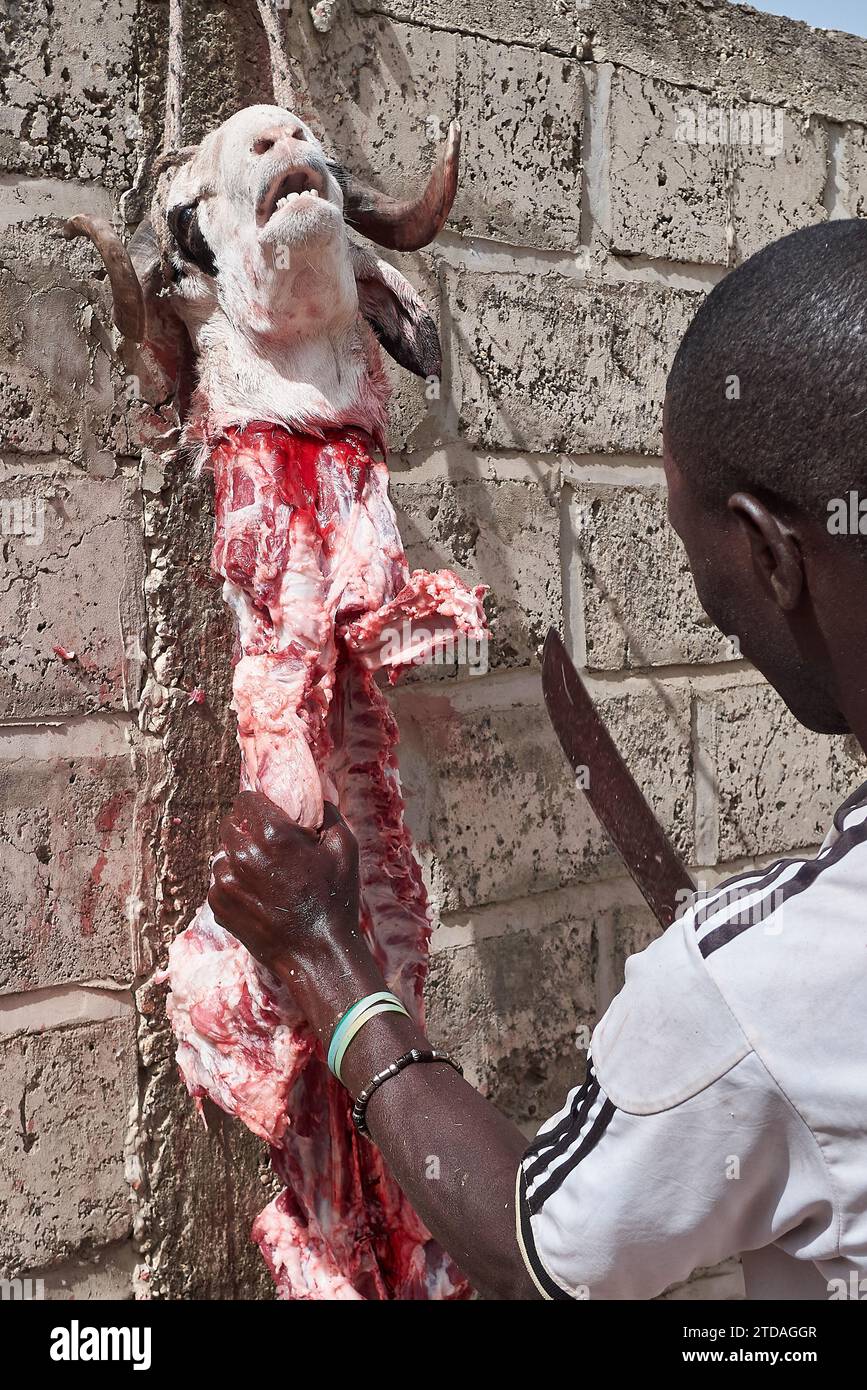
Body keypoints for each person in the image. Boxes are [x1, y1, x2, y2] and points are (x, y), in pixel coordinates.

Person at [207, 219, 867, 1301]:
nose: (712, 610)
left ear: (768, 552)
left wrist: (328, 953)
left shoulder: (777, 980)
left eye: (698, 554)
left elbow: (540, 1252)